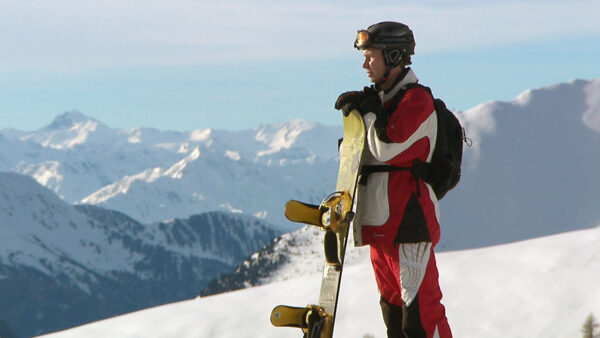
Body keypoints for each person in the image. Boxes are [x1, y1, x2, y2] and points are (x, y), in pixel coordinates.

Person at [334, 22, 452, 338]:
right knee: (395, 321)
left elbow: (388, 148)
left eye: (371, 56)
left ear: (394, 56)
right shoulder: (383, 101)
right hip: (379, 226)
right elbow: (357, 154)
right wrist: (357, 121)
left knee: (421, 319)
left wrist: (370, 112)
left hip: (408, 224)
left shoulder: (416, 101)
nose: (365, 64)